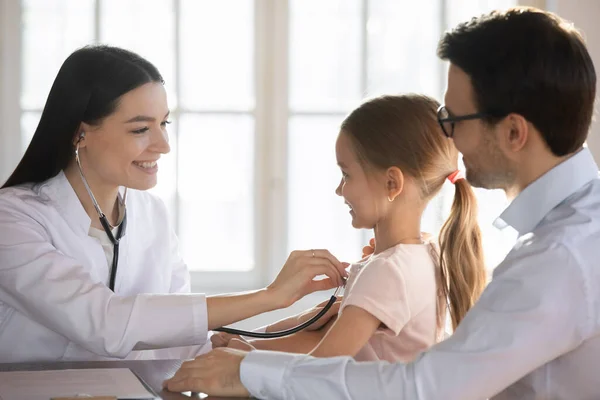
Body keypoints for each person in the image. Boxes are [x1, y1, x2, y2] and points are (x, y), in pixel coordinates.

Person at [163, 7, 600, 399]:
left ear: (513, 133)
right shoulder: (565, 236)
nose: (446, 137)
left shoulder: (558, 257)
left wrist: (249, 368)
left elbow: (425, 388)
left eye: (452, 119)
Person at [0, 45, 347, 362]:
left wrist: (293, 326)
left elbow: (180, 339)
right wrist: (270, 296)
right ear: (81, 133)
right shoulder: (13, 218)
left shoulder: (152, 215)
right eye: (140, 129)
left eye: (163, 123)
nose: (163, 145)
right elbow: (106, 324)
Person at [211, 94, 486, 364]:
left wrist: (245, 358)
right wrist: (250, 345)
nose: (339, 189)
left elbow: (319, 371)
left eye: (346, 174)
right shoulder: (424, 252)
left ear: (392, 183)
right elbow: (326, 338)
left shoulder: (388, 270)